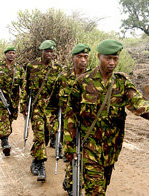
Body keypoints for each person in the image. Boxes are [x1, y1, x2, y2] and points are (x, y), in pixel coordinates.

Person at [65, 39, 149, 195]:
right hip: (89, 147)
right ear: (99, 57)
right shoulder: (83, 82)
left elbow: (137, 101)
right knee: (96, 192)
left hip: (111, 149)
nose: (112, 62)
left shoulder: (122, 83)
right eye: (108, 58)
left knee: (102, 187)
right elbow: (71, 116)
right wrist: (70, 147)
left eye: (115, 58)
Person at [20, 40, 63, 182]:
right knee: (39, 134)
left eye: (52, 51)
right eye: (47, 51)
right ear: (42, 52)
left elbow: (61, 88)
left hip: (51, 109)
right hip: (37, 106)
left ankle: (36, 158)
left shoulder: (57, 68)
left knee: (47, 135)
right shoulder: (31, 66)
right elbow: (25, 87)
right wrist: (24, 105)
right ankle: (41, 166)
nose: (50, 54)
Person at [57, 44, 91, 194]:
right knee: (72, 153)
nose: (83, 60)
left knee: (84, 156)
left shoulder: (92, 79)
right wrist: (53, 123)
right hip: (68, 124)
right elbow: (53, 103)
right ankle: (71, 181)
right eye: (80, 57)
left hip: (87, 125)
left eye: (86, 57)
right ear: (73, 58)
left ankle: (74, 184)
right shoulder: (63, 78)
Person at [0, 46, 23, 156]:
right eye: (9, 53)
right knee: (3, 118)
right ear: (5, 54)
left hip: (14, 100)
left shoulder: (19, 69)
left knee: (10, 119)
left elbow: (23, 83)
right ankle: (4, 141)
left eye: (13, 53)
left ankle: (5, 135)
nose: (11, 55)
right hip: (0, 99)